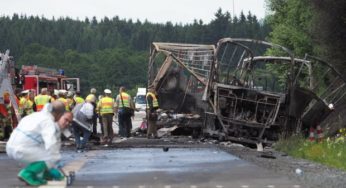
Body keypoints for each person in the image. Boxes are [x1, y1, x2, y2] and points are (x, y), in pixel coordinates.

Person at [6, 101, 73, 186]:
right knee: (49, 156)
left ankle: (42, 175)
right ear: (59, 114)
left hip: (11, 147)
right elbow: (51, 144)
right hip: (21, 149)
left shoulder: (35, 115)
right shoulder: (48, 122)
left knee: (43, 154)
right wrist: (56, 160)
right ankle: (27, 174)